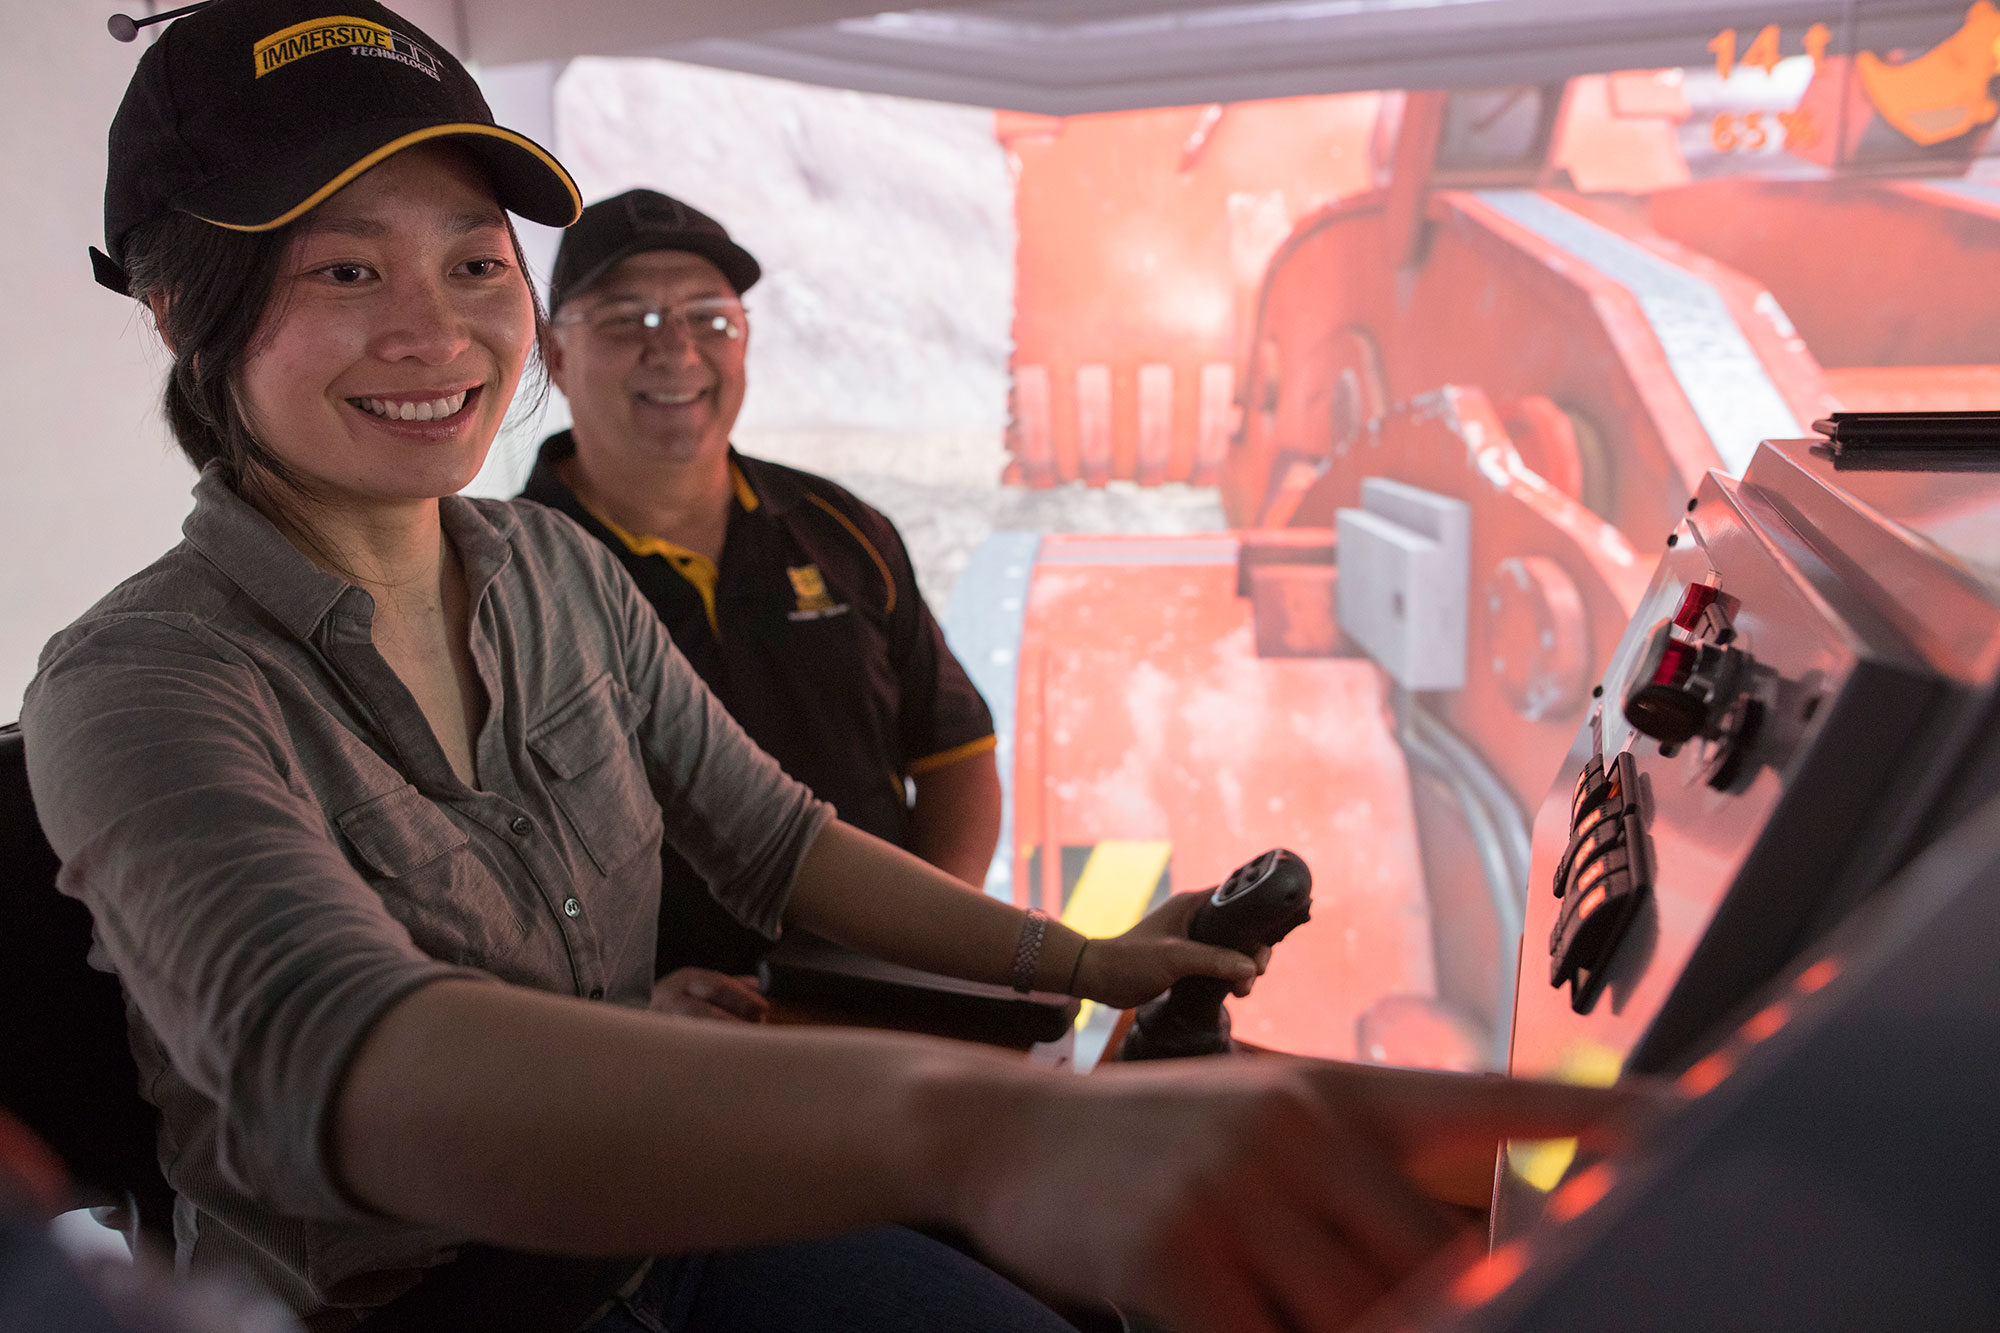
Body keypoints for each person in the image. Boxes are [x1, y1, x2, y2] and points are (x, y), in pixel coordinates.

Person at [22, 1, 1642, 1329]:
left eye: (470, 260)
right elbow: (339, 1058)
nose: (436, 333)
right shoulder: (140, 684)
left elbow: (776, 837)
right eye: (343, 269)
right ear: (183, 308)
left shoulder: (552, 569)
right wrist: (987, 1131)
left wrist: (1084, 966)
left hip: (672, 1227)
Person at [519, 194, 1002, 1015]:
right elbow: (484, 858)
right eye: (624, 320)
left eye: (710, 320)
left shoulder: (842, 532)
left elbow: (956, 759)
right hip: (649, 1057)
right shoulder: (509, 578)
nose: (673, 351)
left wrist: (916, 954)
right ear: (554, 357)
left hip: (873, 1023)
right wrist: (620, 1002)